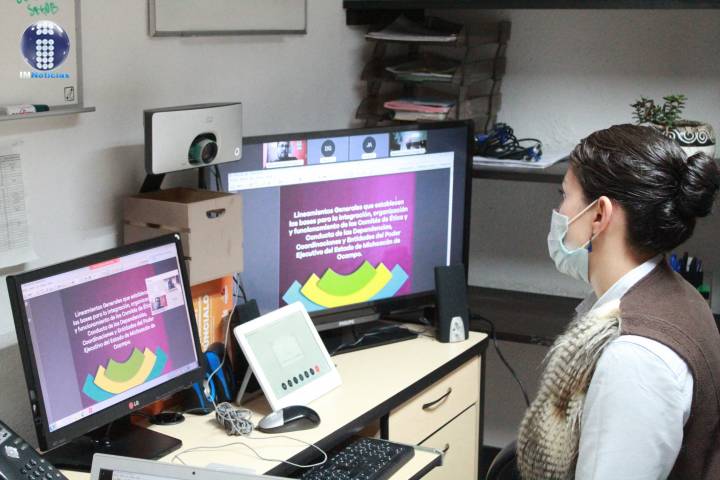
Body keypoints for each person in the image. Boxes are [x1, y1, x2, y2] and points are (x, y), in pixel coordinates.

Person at [516, 124, 720, 479]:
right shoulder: (676, 293)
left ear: (599, 215)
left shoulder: (634, 359)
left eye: (564, 195)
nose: (560, 211)